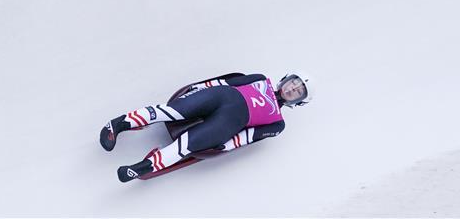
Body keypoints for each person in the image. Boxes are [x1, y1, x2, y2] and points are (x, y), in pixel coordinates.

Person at [100, 72, 311, 182]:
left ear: (298, 101)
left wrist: (228, 146)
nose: (293, 88)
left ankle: (140, 168)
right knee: (172, 111)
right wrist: (198, 88)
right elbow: (228, 82)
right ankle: (118, 124)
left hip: (230, 123)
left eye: (299, 91)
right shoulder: (260, 79)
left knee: (188, 146)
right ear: (287, 79)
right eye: (295, 82)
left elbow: (251, 136)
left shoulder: (278, 123)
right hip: (219, 96)